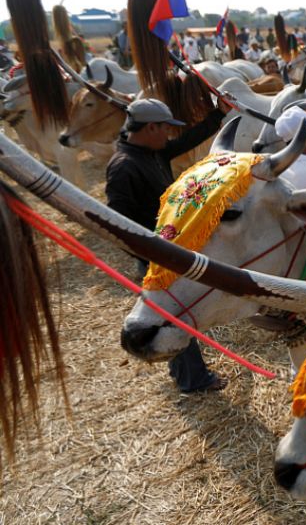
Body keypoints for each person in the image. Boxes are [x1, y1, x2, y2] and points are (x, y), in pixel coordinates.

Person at [105, 98, 229, 393]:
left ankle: (183, 372)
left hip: (167, 250)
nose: (169, 136)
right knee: (175, 314)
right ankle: (193, 380)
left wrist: (219, 115)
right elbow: (116, 223)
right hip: (156, 255)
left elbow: (186, 140)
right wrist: (152, 257)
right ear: (150, 127)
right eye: (165, 129)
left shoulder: (149, 151)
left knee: (173, 312)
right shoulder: (124, 167)